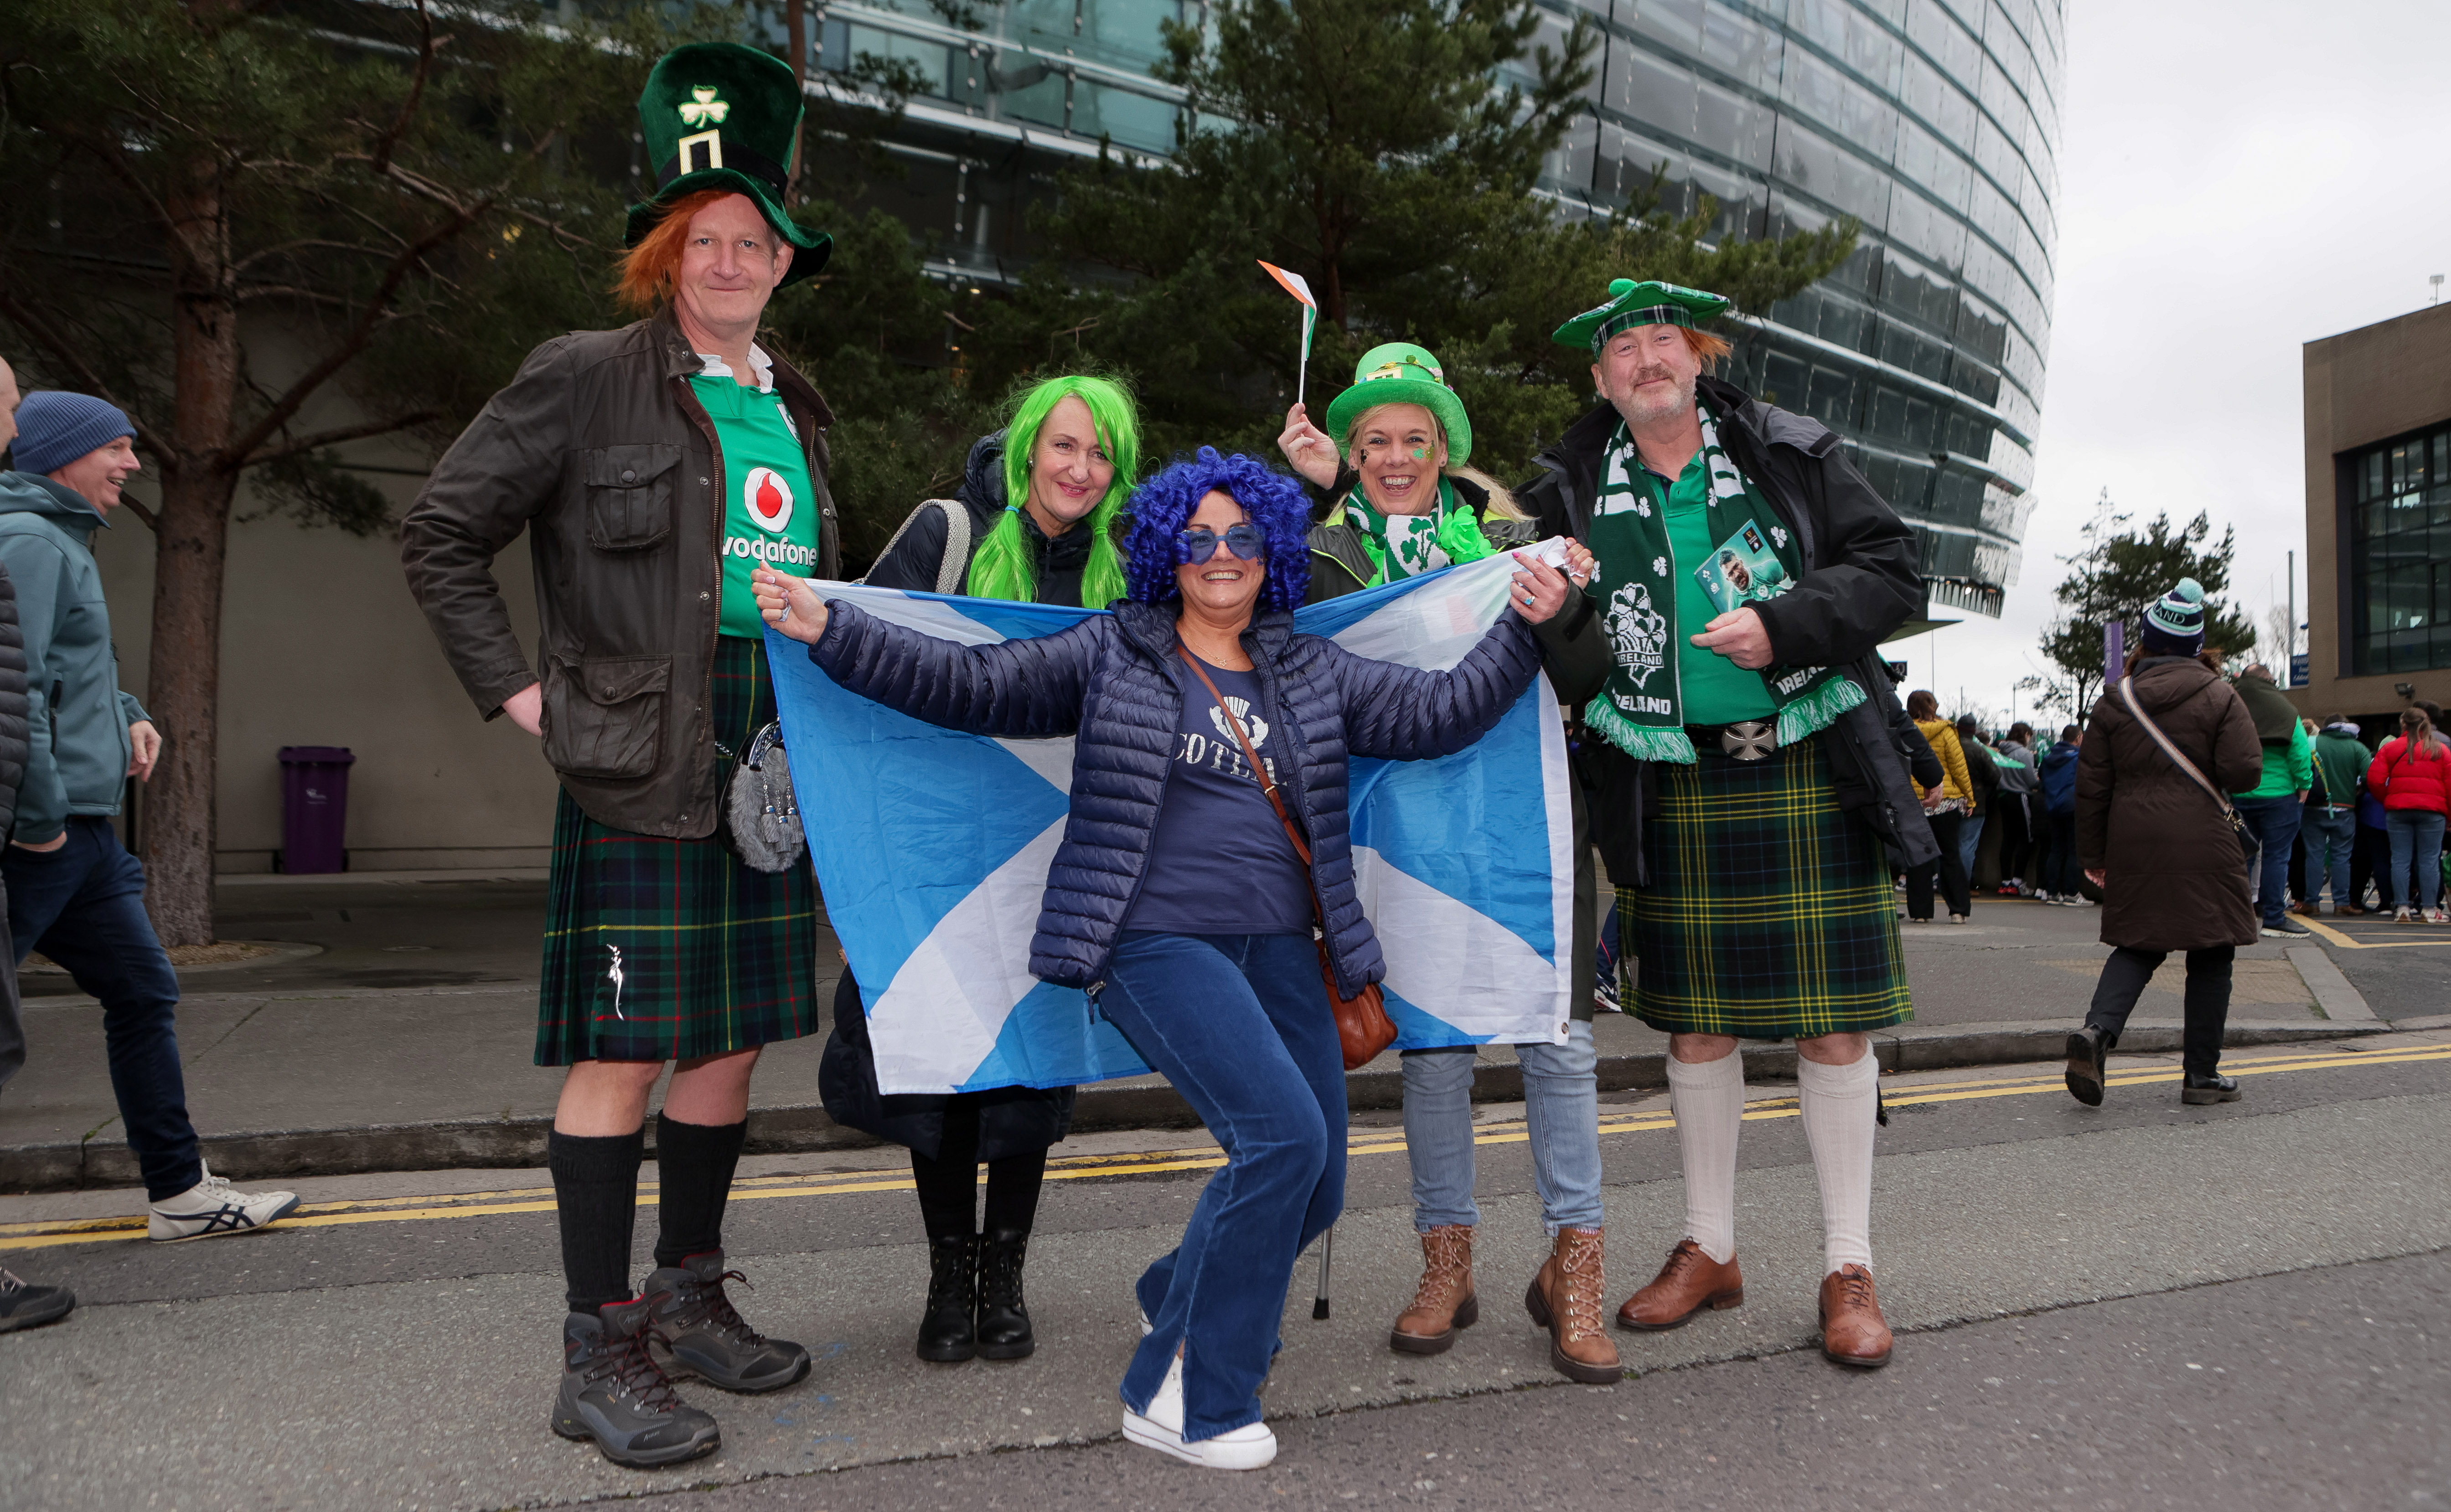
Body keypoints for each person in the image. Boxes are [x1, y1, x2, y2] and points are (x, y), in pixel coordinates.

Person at [756, 447, 1572, 1470]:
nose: (1220, 554)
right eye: (1197, 539)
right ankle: (1187, 1392)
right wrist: (833, 628)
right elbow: (965, 682)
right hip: (1149, 937)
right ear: (1165, 554)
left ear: (1272, 549)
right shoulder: (1113, 652)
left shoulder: (1310, 667)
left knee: (1314, 1176)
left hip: (1285, 946)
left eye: (1240, 536)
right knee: (1279, 1139)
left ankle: (1174, 1291)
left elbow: (1435, 715)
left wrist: (1527, 627)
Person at [400, 43, 836, 1470]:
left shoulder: (796, 402)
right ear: (666, 253)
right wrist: (526, 696)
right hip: (639, 751)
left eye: (753, 240)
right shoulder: (585, 377)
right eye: (704, 239)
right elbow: (441, 532)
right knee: (623, 1050)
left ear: (781, 259)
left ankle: (693, 1292)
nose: (730, 260)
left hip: (766, 747)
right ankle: (599, 1347)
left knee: (730, 1038)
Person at [1515, 278, 1929, 1371]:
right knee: (1692, 1025)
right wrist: (1565, 611)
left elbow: (1894, 570)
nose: (1645, 357)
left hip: (1806, 761)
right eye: (1622, 347)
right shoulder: (1561, 493)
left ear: (1696, 358)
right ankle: (1712, 1244)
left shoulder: (1789, 451)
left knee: (1834, 1025)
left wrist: (1789, 622)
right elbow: (1557, 654)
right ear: (1601, 379)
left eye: (1663, 338)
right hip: (1666, 777)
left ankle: (1849, 1262)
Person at [1279, 345, 1618, 1383]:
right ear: (1353, 452)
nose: (1393, 456)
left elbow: (1591, 669)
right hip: (1396, 832)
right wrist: (1299, 498)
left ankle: (1577, 1268)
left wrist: (1559, 603)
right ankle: (1447, 1262)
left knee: (1556, 1039)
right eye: (1374, 439)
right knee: (1432, 1049)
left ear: (1442, 447)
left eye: (1411, 438)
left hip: (1522, 825)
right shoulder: (1322, 550)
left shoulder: (1514, 542)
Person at [820, 374, 1139, 1364]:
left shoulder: (1127, 570)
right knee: (945, 1071)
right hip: (940, 856)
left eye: (1103, 456)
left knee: (1030, 1072)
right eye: (1066, 447)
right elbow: (859, 650)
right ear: (1028, 446)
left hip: (1058, 853)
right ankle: (947, 1274)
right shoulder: (945, 532)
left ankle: (1006, 1275)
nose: (1081, 470)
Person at [0, 386, 301, 1244]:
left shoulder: (61, 540)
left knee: (143, 990)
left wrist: (126, 707)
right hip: (46, 836)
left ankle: (179, 1193)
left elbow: (71, 668)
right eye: (117, 449)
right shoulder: (29, 540)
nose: (133, 465)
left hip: (85, 838)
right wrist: (42, 821)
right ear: (61, 455)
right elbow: (9, 688)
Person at [2064, 580, 2260, 1107]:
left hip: (2135, 837)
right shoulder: (2221, 694)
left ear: (2146, 641)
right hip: (2203, 837)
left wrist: (2093, 857)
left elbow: (2092, 789)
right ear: (2198, 646)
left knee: (2139, 943)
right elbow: (2245, 771)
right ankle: (2202, 1075)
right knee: (2213, 951)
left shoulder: (2113, 702)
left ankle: (2098, 1032)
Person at [0, 359, 69, 1335]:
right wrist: (41, 808)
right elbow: (28, 693)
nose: (15, 417)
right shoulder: (31, 539)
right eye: (9, 398)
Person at [2227, 659, 2313, 939]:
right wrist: (2305, 784)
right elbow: (2299, 752)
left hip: (2240, 793)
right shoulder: (2286, 710)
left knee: (2241, 857)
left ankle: (2235, 916)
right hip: (2280, 795)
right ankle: (2274, 919)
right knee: (2277, 858)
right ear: (2271, 682)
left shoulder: (2230, 706)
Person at [2367, 708, 2449, 923]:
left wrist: (2389, 799)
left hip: (2398, 810)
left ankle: (2402, 907)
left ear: (2403, 724)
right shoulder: (2441, 751)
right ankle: (2429, 909)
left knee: (2400, 859)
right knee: (2429, 859)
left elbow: (2375, 780)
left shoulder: (2390, 749)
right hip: (2433, 811)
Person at [1903, 691, 1974, 923]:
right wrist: (1970, 799)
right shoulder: (1946, 732)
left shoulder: (1904, 732)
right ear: (1933, 706)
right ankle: (1958, 911)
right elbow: (1959, 769)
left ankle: (1921, 913)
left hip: (1914, 802)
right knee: (1950, 856)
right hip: (1946, 802)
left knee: (1918, 858)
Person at [2298, 716, 2367, 917]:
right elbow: (2369, 776)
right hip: (2345, 809)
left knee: (2314, 856)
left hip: (2313, 808)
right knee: (2342, 858)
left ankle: (2312, 902)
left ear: (2327, 727)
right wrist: (2357, 791)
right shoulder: (2358, 747)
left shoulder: (2312, 742)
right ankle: (2342, 903)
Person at [2037, 724, 2084, 903]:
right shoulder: (2079, 757)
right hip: (2073, 806)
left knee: (2056, 850)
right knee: (2073, 850)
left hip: (2053, 806)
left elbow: (2041, 778)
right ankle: (2072, 892)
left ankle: (2052, 892)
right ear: (2079, 738)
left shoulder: (2049, 757)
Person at [1992, 721, 2040, 896]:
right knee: (2027, 839)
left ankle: (2005, 882)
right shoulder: (2024, 754)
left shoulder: (2000, 753)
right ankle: (2018, 881)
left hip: (2003, 797)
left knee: (2008, 840)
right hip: (2020, 797)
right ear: (2025, 735)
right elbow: (2032, 781)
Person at [1956, 715, 1997, 885]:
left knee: (1948, 845)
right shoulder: (1979, 751)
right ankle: (1962, 885)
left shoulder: (1947, 747)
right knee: (1967, 845)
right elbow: (1995, 776)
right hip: (1975, 801)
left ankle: (1945, 883)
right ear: (1974, 731)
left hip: (1947, 801)